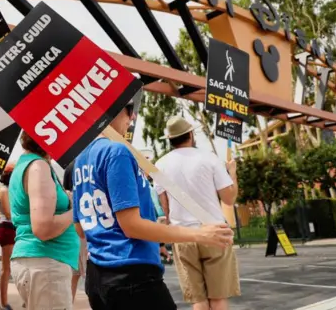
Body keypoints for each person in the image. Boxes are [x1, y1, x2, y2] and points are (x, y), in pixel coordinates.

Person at [72, 99, 234, 310]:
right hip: (131, 273)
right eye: (130, 110)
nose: (133, 118)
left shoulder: (81, 160)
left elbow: (80, 228)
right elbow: (131, 226)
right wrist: (200, 234)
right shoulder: (117, 152)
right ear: (115, 109)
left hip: (97, 275)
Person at [155, 116, 241, 310]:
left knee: (199, 300)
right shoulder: (209, 158)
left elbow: (165, 208)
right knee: (218, 298)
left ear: (169, 139)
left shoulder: (160, 165)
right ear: (191, 135)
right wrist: (232, 173)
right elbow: (229, 198)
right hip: (214, 233)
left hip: (182, 235)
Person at [9, 131, 80, 309]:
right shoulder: (38, 167)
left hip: (42, 263)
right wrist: (76, 211)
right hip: (46, 263)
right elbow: (43, 228)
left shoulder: (29, 164)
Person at [62, 160, 88, 302]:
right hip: (89, 225)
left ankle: (69, 304)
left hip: (73, 227)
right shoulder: (89, 160)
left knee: (74, 274)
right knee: (89, 272)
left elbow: (66, 191)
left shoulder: (70, 165)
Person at [0, 164, 15, 310]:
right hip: (8, 227)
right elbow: (8, 213)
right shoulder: (4, 190)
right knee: (6, 268)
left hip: (14, 228)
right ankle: (3, 303)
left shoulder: (12, 190)